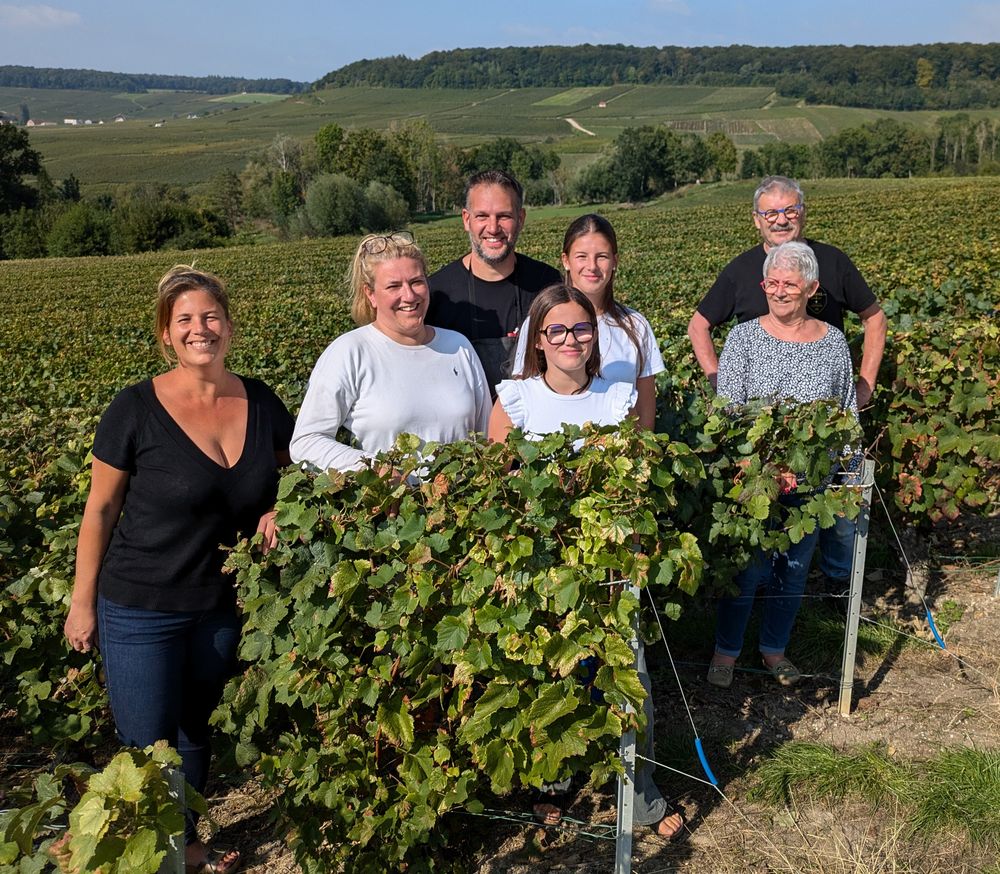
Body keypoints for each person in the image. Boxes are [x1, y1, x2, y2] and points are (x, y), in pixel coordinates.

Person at [65, 265, 294, 874]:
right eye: (185, 320)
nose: (201, 329)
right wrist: (81, 602)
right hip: (139, 606)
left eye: (211, 317)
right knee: (147, 749)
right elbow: (101, 507)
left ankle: (186, 846)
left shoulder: (262, 399)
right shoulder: (134, 408)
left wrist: (280, 506)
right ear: (166, 334)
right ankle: (155, 859)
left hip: (221, 605)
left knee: (195, 732)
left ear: (230, 325)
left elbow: (293, 473)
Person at [489, 285, 684, 841]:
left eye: (580, 329)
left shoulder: (616, 400)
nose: (570, 339)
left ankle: (641, 792)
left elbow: (634, 490)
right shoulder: (515, 400)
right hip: (542, 572)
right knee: (551, 679)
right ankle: (551, 783)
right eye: (557, 330)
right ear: (538, 339)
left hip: (609, 571)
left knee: (630, 681)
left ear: (594, 336)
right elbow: (499, 495)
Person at [687, 175, 885, 590]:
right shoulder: (742, 270)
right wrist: (719, 386)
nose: (781, 219)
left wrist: (864, 381)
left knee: (841, 518)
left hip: (826, 429)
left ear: (803, 213)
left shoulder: (832, 262)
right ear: (756, 220)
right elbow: (699, 325)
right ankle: (766, 596)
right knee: (765, 520)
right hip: (763, 436)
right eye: (770, 212)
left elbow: (874, 317)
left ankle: (835, 589)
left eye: (789, 210)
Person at [706, 242, 858, 690]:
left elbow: (845, 413)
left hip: (812, 485)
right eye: (772, 282)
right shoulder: (743, 338)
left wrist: (849, 472)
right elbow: (729, 413)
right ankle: (725, 652)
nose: (779, 291)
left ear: (811, 288)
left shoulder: (833, 343)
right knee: (748, 569)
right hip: (754, 480)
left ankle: (774, 649)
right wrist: (760, 468)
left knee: (793, 570)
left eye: (789, 283)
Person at [290, 232, 490, 472]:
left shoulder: (458, 346)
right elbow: (305, 442)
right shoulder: (349, 352)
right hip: (388, 506)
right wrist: (373, 470)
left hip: (462, 504)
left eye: (416, 282)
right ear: (371, 294)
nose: (409, 295)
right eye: (393, 286)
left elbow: (485, 433)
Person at [512, 213, 665, 429]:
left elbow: (645, 411)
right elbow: (523, 397)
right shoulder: (539, 324)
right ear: (566, 261)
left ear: (615, 261)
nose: (592, 266)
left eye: (601, 256)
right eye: (581, 256)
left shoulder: (636, 325)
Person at [426, 169, 561, 394]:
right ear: (466, 220)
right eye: (482, 216)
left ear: (521, 219)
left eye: (504, 216)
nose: (493, 228)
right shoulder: (437, 293)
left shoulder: (548, 285)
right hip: (464, 428)